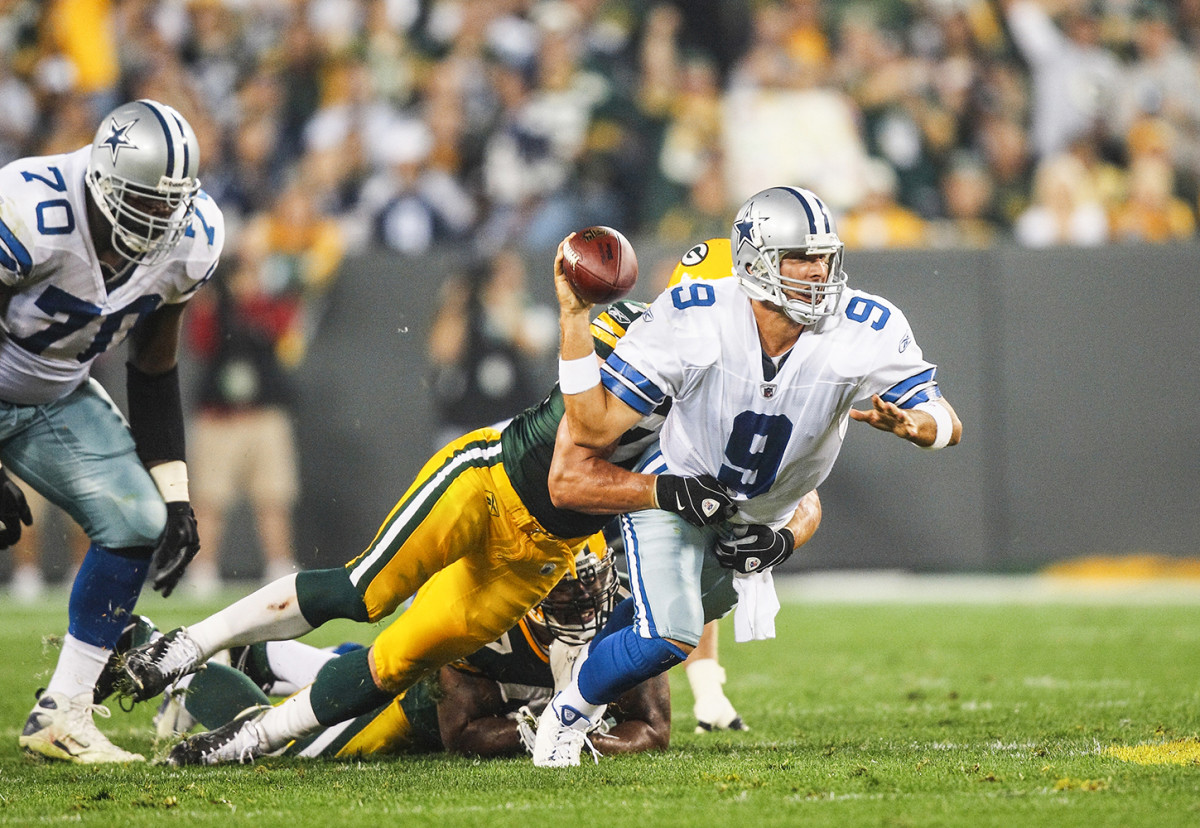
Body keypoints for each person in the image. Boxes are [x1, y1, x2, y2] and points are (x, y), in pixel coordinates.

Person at [116, 300, 736, 765]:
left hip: (542, 559)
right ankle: (187, 646)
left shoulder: (687, 426)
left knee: (395, 659)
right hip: (488, 483)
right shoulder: (606, 375)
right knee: (366, 591)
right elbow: (570, 481)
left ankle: (248, 738)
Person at [533, 184, 962, 767]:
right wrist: (574, 319)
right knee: (670, 633)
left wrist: (919, 425)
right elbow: (592, 426)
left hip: (758, 516)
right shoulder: (696, 316)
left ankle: (586, 681)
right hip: (679, 489)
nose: (817, 273)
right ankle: (566, 715)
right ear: (755, 262)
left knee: (671, 618)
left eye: (824, 257)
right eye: (800, 259)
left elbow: (946, 419)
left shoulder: (864, 326)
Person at [0, 98, 224, 762]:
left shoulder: (193, 238)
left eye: (171, 203)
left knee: (137, 519)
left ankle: (63, 714)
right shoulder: (26, 210)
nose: (161, 219)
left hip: (54, 395)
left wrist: (177, 497)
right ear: (102, 180)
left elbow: (153, 367)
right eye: (146, 201)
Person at [130, 546, 670, 760]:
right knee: (311, 749)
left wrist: (591, 739)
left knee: (348, 662)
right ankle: (180, 684)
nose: (581, 608)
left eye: (588, 590)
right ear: (526, 595)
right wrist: (534, 730)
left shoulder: (628, 615)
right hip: (419, 704)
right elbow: (459, 733)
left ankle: (265, 662)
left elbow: (656, 726)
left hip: (457, 682)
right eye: (564, 596)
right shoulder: (488, 623)